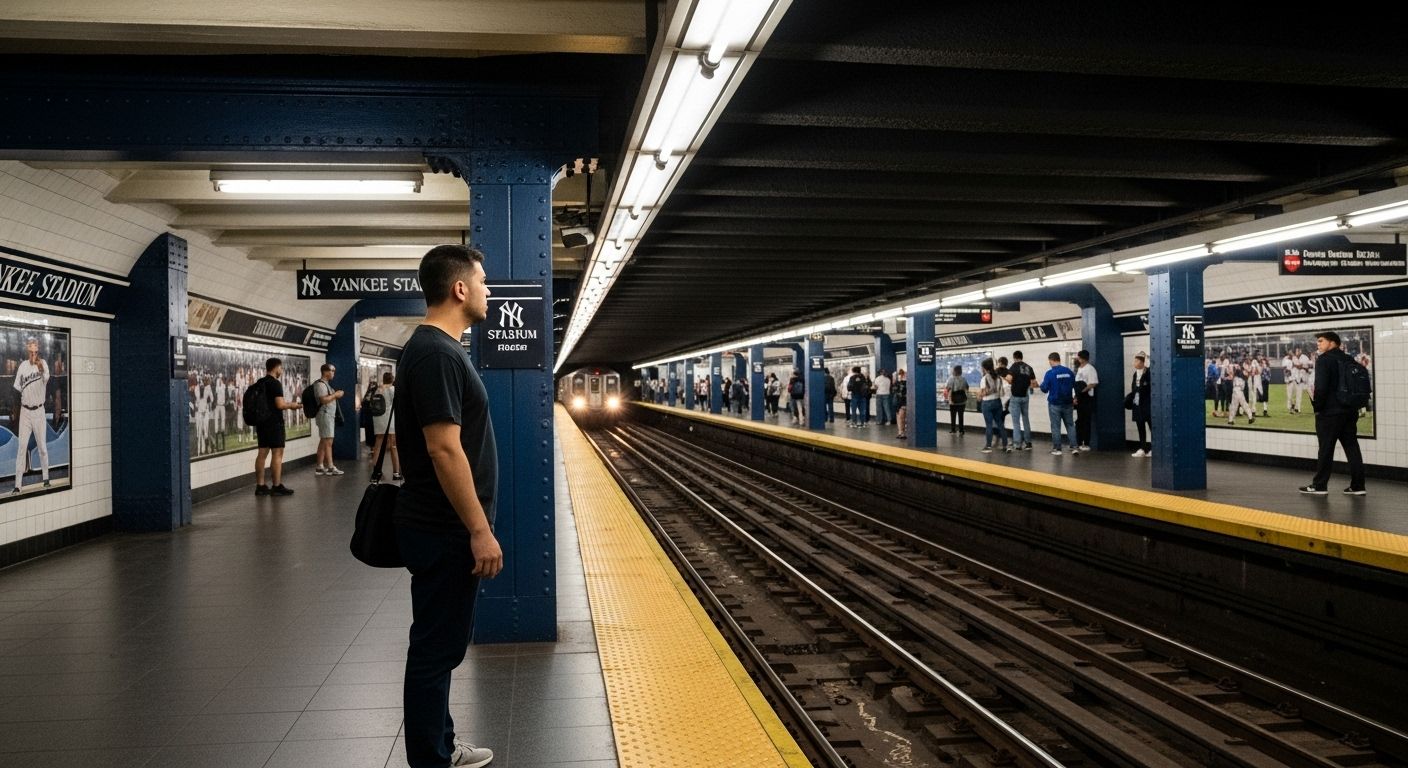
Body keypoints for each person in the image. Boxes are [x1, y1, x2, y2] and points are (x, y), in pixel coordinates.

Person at [395, 244, 503, 768]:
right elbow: (443, 448)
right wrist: (479, 530)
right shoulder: (438, 353)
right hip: (444, 529)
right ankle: (432, 760)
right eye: (481, 280)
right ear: (459, 289)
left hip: (439, 526)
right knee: (437, 649)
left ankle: (439, 744)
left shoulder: (435, 350)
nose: (487, 290)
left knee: (439, 644)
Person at [1300, 331, 1366, 496]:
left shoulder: (1324, 360)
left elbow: (1321, 388)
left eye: (1321, 341)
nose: (1318, 344)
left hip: (1330, 413)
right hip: (1349, 411)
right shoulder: (1348, 359)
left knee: (1326, 449)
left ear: (1332, 343)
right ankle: (1358, 486)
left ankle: (1319, 485)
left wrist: (1318, 408)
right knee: (1352, 447)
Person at [252, 357, 301, 497]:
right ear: (276, 368)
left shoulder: (260, 383)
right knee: (277, 453)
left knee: (262, 453)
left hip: (261, 423)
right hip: (274, 423)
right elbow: (280, 405)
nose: (282, 370)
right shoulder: (275, 384)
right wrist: (292, 405)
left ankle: (260, 486)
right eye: (281, 368)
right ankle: (276, 485)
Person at [12, 337, 51, 494]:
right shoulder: (22, 366)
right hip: (25, 412)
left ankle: (46, 478)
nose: (33, 352)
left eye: (35, 349)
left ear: (38, 349)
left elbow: (46, 379)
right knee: (22, 448)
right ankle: (17, 485)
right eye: (31, 348)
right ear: (28, 349)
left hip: (39, 411)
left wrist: (39, 365)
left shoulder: (43, 364)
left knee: (42, 447)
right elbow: (17, 388)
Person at [1040, 352, 1077, 455]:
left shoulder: (1050, 373)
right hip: (1068, 403)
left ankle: (1057, 449)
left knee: (1056, 426)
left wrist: (1041, 384)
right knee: (1070, 425)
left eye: (1049, 361)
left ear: (1052, 360)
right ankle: (1074, 447)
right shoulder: (1069, 372)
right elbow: (1075, 385)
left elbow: (1044, 389)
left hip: (1054, 403)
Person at [313, 363, 346, 476]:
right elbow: (323, 400)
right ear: (325, 372)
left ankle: (320, 466)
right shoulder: (321, 385)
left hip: (328, 415)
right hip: (325, 415)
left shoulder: (326, 385)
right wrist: (336, 395)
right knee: (328, 441)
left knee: (323, 441)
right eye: (332, 371)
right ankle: (331, 466)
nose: (333, 373)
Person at [371, 371, 402, 481]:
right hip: (390, 419)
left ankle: (376, 471)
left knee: (378, 445)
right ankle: (396, 472)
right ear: (392, 379)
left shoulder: (378, 389)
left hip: (378, 419)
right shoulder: (392, 389)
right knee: (393, 445)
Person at [1006, 351, 1036, 451]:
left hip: (1015, 397)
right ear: (1022, 357)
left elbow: (1009, 379)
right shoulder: (1029, 367)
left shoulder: (1013, 366)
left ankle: (1017, 444)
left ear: (1014, 358)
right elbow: (1033, 383)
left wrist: (1010, 380)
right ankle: (1028, 443)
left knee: (1016, 422)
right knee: (1025, 419)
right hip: (1025, 396)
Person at [977, 358, 1008, 454]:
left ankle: (988, 446)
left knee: (989, 425)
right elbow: (1001, 391)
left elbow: (984, 392)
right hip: (997, 402)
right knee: (1000, 424)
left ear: (984, 368)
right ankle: (1005, 445)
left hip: (987, 403)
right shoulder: (998, 377)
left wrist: (979, 396)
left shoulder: (984, 378)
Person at [1073, 349, 1098, 451]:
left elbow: (1093, 383)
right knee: (1079, 421)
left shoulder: (1090, 369)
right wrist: (1075, 396)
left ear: (1082, 358)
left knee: (1086, 421)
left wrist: (1083, 390)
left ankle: (1086, 443)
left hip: (1087, 397)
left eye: (1079, 357)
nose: (1078, 359)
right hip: (1079, 397)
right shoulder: (1079, 369)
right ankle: (1079, 442)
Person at [1128, 353, 1152, 457]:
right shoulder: (1135, 374)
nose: (1135, 363)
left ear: (1142, 362)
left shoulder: (1148, 372)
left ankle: (1153, 448)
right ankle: (1143, 448)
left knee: (1151, 426)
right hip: (1137, 403)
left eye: (1137, 361)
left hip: (1147, 403)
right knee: (1140, 426)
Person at [1227, 360, 1255, 425]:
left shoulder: (1241, 371)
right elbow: (1231, 370)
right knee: (1244, 404)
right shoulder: (1238, 370)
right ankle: (1250, 418)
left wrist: (1240, 367)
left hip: (1235, 390)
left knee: (1234, 406)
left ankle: (1230, 420)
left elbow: (1248, 373)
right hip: (1238, 390)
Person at [943, 365, 968, 435]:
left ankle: (953, 429)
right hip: (962, 400)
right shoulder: (964, 379)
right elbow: (967, 387)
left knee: (953, 415)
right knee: (961, 415)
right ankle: (961, 430)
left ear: (954, 371)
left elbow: (947, 388)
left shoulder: (951, 379)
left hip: (953, 400)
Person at [893, 369, 908, 440]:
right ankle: (901, 432)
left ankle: (901, 432)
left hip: (901, 402)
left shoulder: (901, 383)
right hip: (900, 402)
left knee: (901, 417)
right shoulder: (898, 383)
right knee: (900, 417)